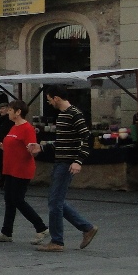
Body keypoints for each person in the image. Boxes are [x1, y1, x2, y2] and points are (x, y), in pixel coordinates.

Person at [28, 85, 98, 252]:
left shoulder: (75, 114)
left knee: (55, 203)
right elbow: (63, 142)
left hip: (66, 163)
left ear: (56, 98)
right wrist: (42, 147)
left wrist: (78, 161)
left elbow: (86, 139)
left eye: (49, 99)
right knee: (56, 201)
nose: (49, 102)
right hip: (60, 161)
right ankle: (86, 228)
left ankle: (57, 241)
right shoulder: (62, 116)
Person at [0, 100, 48, 243]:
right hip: (10, 169)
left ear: (18, 112)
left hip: (22, 169)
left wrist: (33, 150)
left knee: (17, 199)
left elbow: (33, 150)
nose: (8, 112)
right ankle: (6, 232)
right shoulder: (13, 127)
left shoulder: (27, 128)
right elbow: (8, 147)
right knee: (9, 200)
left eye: (10, 110)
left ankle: (41, 228)